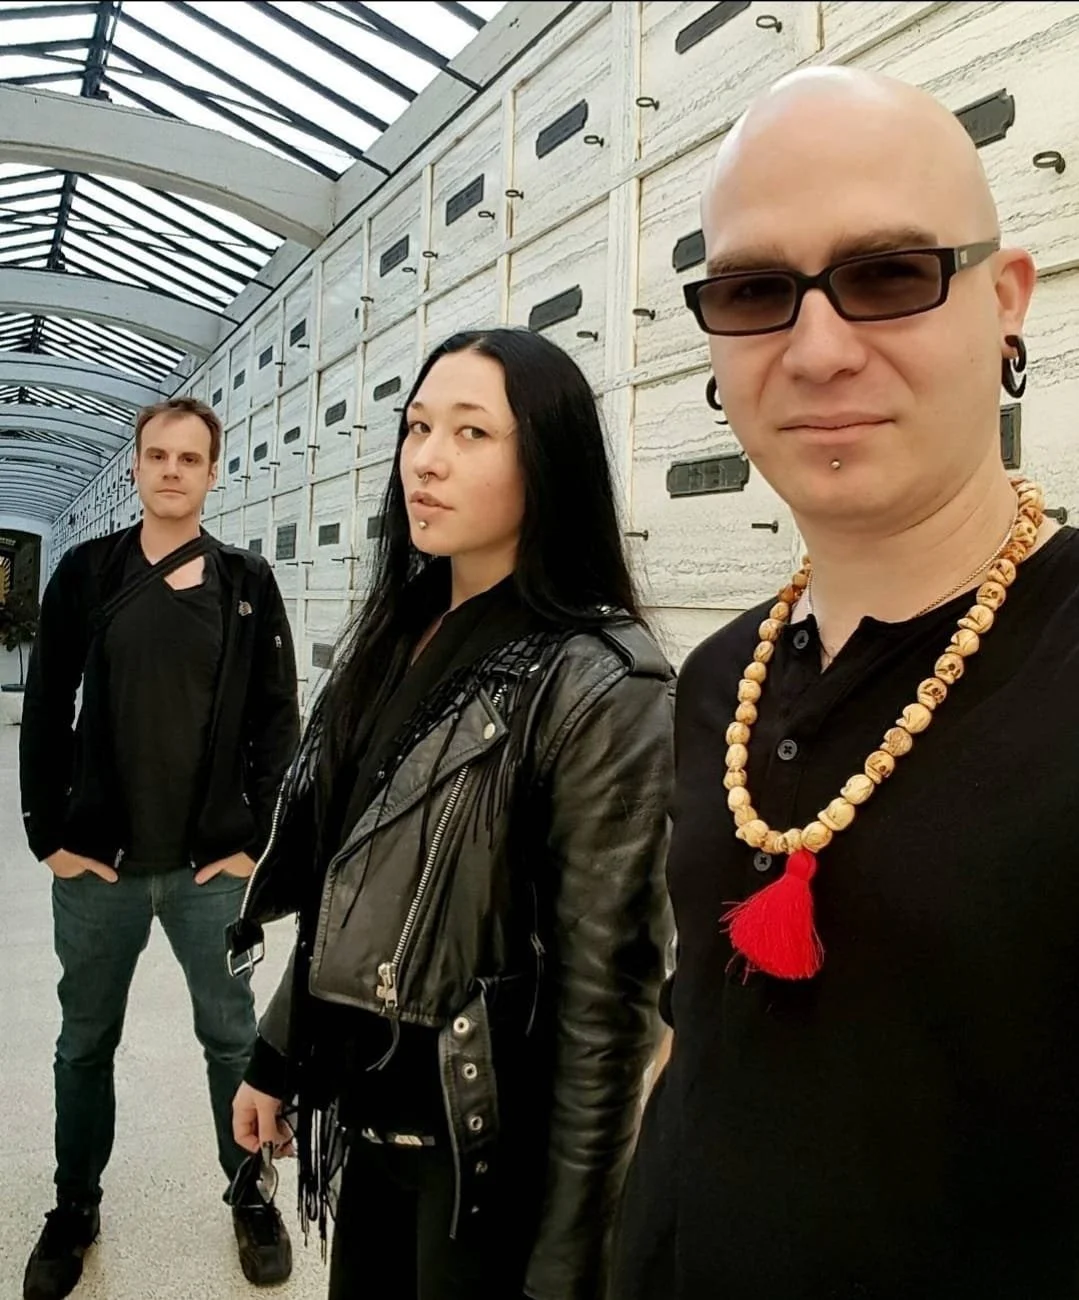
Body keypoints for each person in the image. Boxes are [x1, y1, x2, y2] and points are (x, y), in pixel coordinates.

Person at [612, 65, 1079, 1299]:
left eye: (885, 275)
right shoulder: (720, 677)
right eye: (755, 291)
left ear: (1005, 302)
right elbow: (695, 1035)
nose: (816, 350)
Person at [229, 328, 674, 1300]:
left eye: (473, 432)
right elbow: (357, 885)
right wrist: (278, 1054)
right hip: (370, 1119)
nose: (426, 458)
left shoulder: (600, 681)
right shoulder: (396, 634)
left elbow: (606, 1008)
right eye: (418, 426)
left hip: (481, 1157)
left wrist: (570, 1257)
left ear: (545, 462)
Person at [19, 397, 299, 1300]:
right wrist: (47, 837)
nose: (172, 470)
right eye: (157, 455)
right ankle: (74, 1206)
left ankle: (249, 1193)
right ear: (136, 467)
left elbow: (274, 724)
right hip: (99, 864)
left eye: (190, 458)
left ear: (214, 473)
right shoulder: (86, 574)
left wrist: (254, 841)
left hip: (206, 872)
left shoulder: (247, 585)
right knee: (82, 1043)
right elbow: (46, 707)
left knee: (231, 1041)